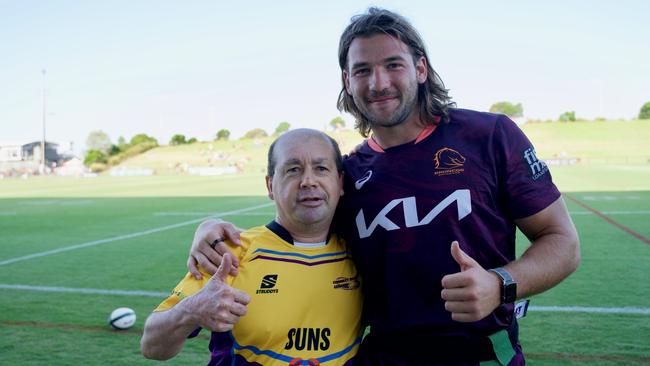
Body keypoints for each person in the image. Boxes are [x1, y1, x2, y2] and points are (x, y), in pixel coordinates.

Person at [187, 8, 580, 366]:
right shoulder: (348, 175)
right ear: (347, 80)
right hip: (382, 356)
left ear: (420, 68)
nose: (378, 83)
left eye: (393, 65)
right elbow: (293, 229)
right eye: (362, 70)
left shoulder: (489, 136)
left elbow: (562, 241)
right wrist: (212, 228)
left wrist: (500, 284)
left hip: (481, 353)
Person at [141, 129, 363, 366]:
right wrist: (190, 311)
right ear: (270, 185)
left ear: (339, 182)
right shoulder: (231, 254)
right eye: (293, 170)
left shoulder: (362, 252)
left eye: (321, 168)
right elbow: (152, 345)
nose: (308, 181)